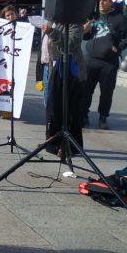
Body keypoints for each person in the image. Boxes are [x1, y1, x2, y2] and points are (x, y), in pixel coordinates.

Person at [82, 0, 127, 130]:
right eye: (99, 0)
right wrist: (85, 31)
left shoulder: (119, 18)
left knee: (106, 92)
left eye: (104, 0)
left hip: (109, 62)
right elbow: (86, 37)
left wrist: (119, 47)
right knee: (85, 90)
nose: (101, 3)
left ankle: (103, 118)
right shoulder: (92, 16)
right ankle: (83, 116)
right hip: (90, 60)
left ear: (110, 2)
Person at [43, 20, 86, 157]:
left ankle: (68, 145)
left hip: (70, 73)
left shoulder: (74, 23)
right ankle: (53, 143)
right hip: (52, 69)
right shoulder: (51, 22)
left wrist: (51, 32)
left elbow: (70, 45)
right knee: (52, 109)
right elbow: (45, 48)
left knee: (68, 110)